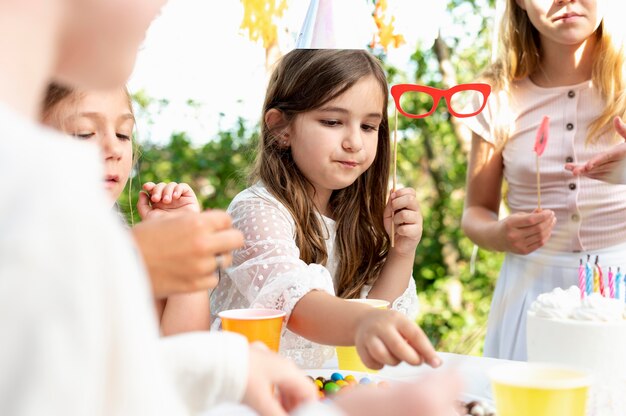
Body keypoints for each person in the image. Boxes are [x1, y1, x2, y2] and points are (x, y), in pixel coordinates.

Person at [211, 48, 441, 370]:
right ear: (281, 128)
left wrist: (402, 251)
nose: (354, 143)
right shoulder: (256, 211)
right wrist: (365, 321)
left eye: (369, 126)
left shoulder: (358, 218)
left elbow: (377, 311)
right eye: (333, 121)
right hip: (253, 392)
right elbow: (297, 307)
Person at [461, 0, 626, 360]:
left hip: (620, 286)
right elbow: (475, 211)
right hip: (528, 292)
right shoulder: (495, 96)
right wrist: (499, 234)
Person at [41, 84, 211, 336]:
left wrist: (185, 255)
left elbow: (183, 358)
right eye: (84, 133)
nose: (115, 149)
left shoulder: (123, 245)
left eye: (123, 134)